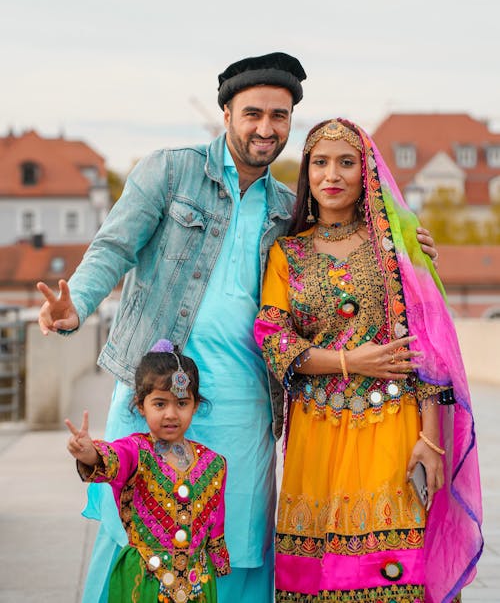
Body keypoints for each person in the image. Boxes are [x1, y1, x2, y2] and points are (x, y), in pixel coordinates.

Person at [37, 53, 438, 603]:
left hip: (242, 401)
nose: (265, 128)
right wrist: (75, 306)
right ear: (226, 112)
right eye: (252, 113)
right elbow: (113, 247)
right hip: (153, 390)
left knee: (237, 537)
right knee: (134, 532)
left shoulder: (285, 209)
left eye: (279, 116)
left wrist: (413, 246)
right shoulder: (169, 171)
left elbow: (345, 247)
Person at [254, 119, 483, 603]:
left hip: (394, 431)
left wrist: (432, 441)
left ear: (367, 173)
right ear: (306, 174)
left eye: (346, 162)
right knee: (318, 579)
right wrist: (348, 360)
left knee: (392, 579)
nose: (331, 174)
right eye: (320, 162)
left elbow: (427, 348)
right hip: (317, 435)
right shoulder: (286, 254)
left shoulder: (397, 250)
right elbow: (273, 339)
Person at [65, 339, 230, 603]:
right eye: (160, 404)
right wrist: (88, 453)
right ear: (141, 405)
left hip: (196, 582)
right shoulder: (136, 451)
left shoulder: (214, 463)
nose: (171, 414)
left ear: (195, 405)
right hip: (142, 582)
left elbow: (216, 521)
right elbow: (112, 458)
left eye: (182, 403)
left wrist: (217, 559)